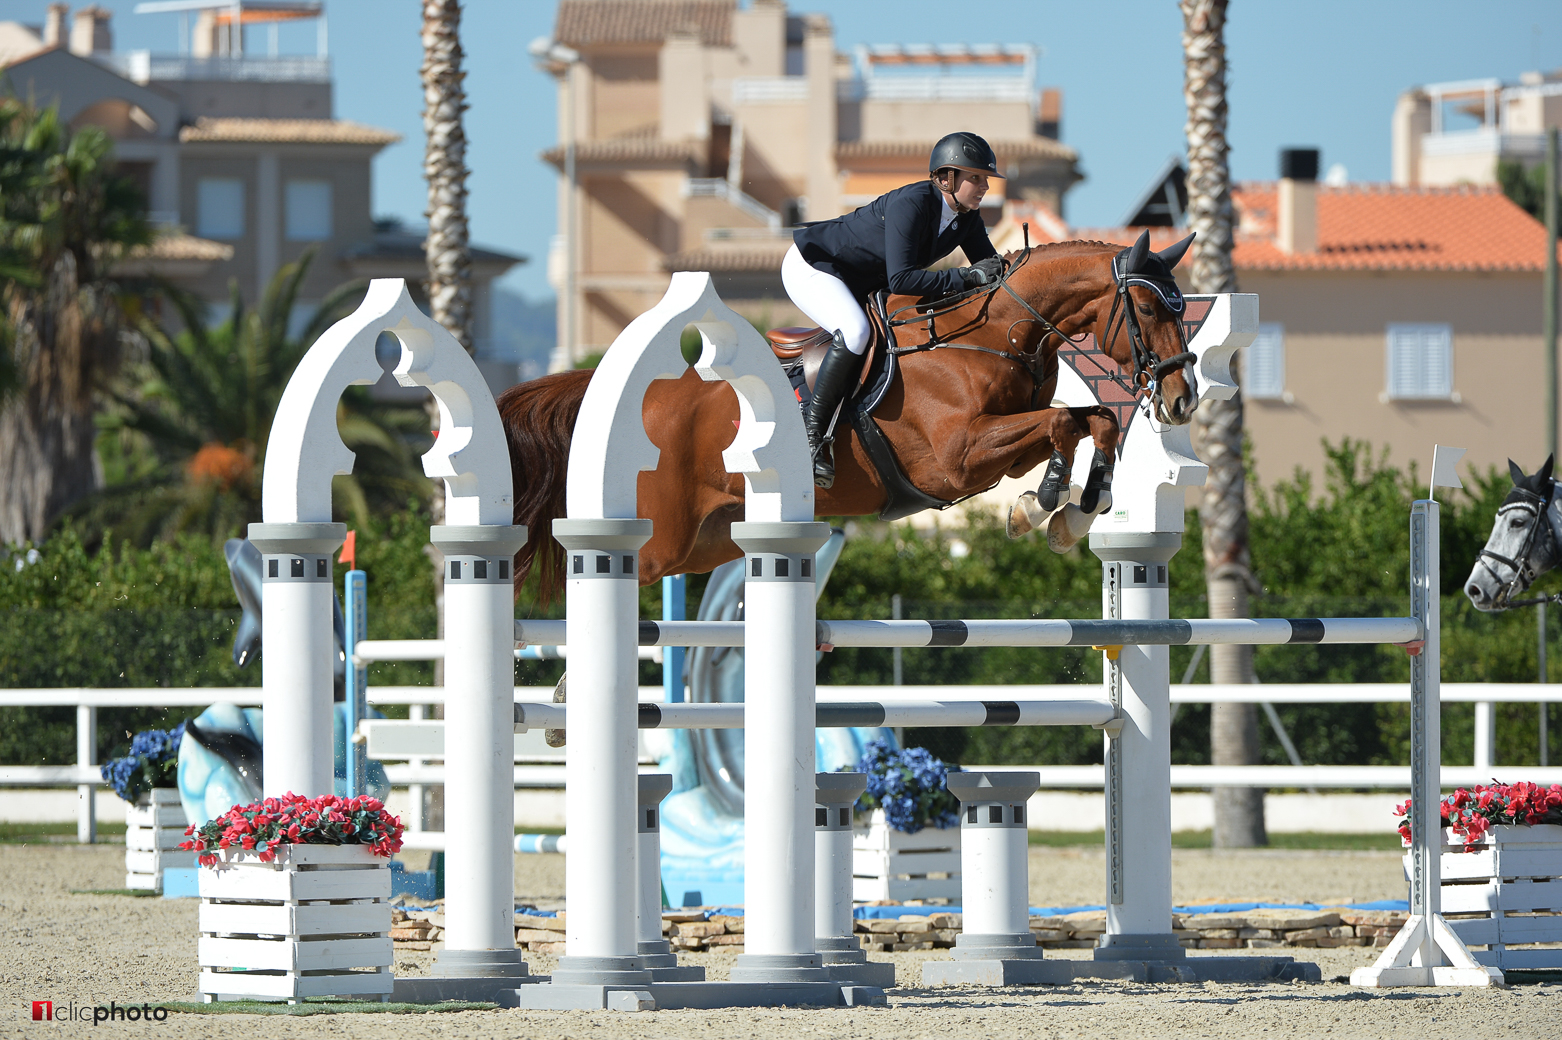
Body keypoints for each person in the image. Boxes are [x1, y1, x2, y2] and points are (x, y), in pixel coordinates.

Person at [783, 131, 1007, 488]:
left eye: (986, 179)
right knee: (856, 331)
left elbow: (991, 271)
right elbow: (902, 279)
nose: (984, 187)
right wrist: (965, 277)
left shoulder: (966, 218)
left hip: (858, 281)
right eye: (975, 178)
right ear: (947, 178)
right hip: (813, 266)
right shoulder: (913, 203)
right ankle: (811, 437)